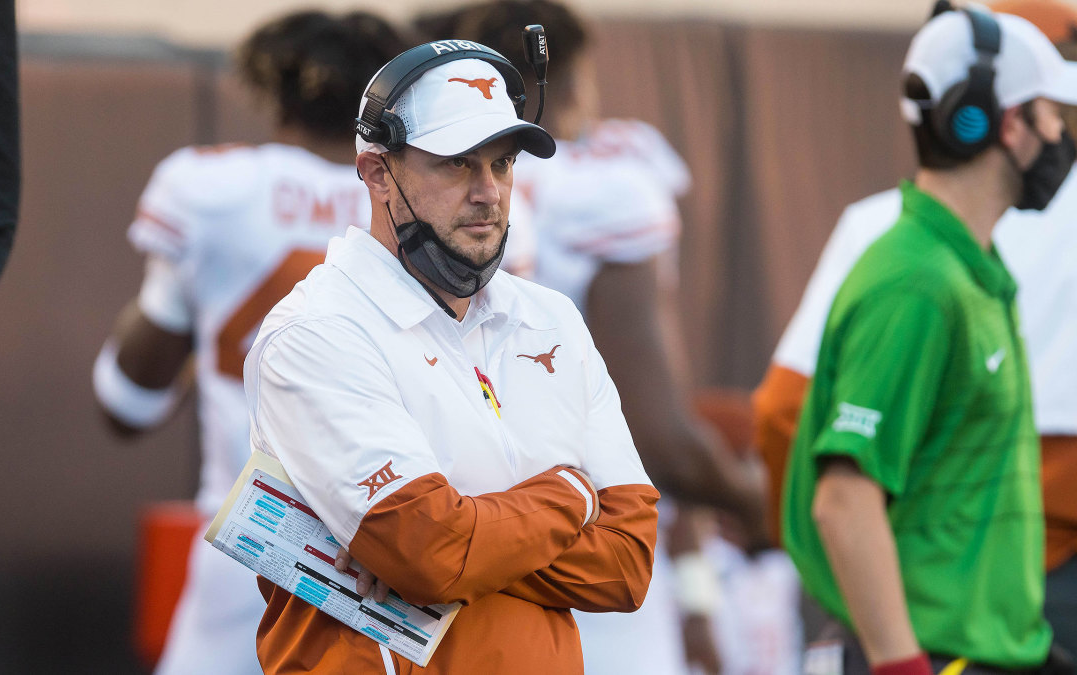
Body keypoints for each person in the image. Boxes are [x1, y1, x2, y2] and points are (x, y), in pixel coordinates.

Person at [242, 40, 659, 674]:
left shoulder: (551, 319)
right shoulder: (316, 329)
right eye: (457, 164)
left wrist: (462, 537)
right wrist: (572, 495)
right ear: (378, 172)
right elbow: (432, 552)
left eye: (503, 163)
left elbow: (627, 565)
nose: (488, 191)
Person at [438, 2, 775, 673]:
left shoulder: (417, 184)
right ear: (574, 73)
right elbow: (655, 439)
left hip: (437, 544)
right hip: (575, 551)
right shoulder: (605, 192)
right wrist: (756, 501)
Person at [754, 0, 1077, 661]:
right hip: (936, 648)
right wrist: (898, 655)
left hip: (987, 641)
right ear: (1007, 123)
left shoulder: (967, 269)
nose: (1060, 134)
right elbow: (841, 500)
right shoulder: (917, 282)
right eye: (1050, 114)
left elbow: (783, 416)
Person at [92, 13, 407, 675]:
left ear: (272, 89)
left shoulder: (211, 190)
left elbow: (128, 403)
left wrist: (192, 314)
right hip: (395, 555)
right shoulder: (424, 195)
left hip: (250, 541)